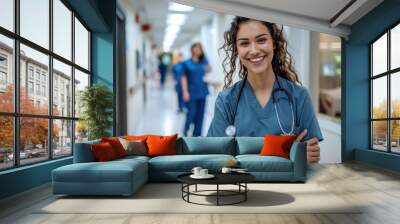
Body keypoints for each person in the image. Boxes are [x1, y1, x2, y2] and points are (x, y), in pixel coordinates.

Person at [207, 17, 323, 163]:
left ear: (274, 43)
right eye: (244, 43)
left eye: (261, 40)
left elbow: (311, 157)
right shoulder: (226, 100)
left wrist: (243, 154)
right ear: (237, 50)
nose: (254, 50)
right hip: (241, 184)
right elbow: (217, 157)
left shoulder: (299, 96)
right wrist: (288, 153)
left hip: (291, 185)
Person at [181, 43, 212, 136]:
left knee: (201, 114)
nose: (198, 50)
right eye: (196, 49)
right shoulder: (186, 63)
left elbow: (208, 71)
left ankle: (197, 134)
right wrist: (185, 91)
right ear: (192, 50)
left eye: (200, 49)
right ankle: (185, 131)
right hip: (191, 92)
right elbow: (183, 78)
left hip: (202, 91)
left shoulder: (204, 61)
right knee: (191, 113)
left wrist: (207, 63)